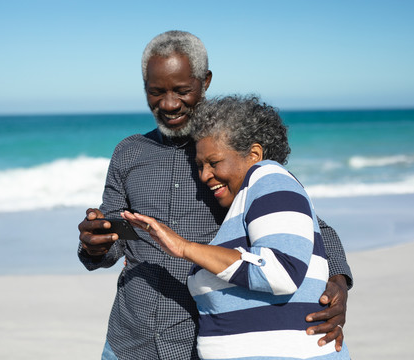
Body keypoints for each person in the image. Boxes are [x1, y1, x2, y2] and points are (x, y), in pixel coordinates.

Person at [78, 30, 352, 360]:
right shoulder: (129, 153)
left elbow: (307, 224)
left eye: (181, 90)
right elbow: (114, 241)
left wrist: (337, 285)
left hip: (200, 342)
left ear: (205, 81)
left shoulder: (229, 155)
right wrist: (95, 244)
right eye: (156, 92)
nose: (168, 103)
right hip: (127, 342)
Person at [121, 95, 350, 359]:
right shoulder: (249, 202)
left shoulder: (270, 178)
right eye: (199, 166)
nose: (204, 175)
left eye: (214, 163)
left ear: (254, 155)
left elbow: (281, 272)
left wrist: (185, 248)